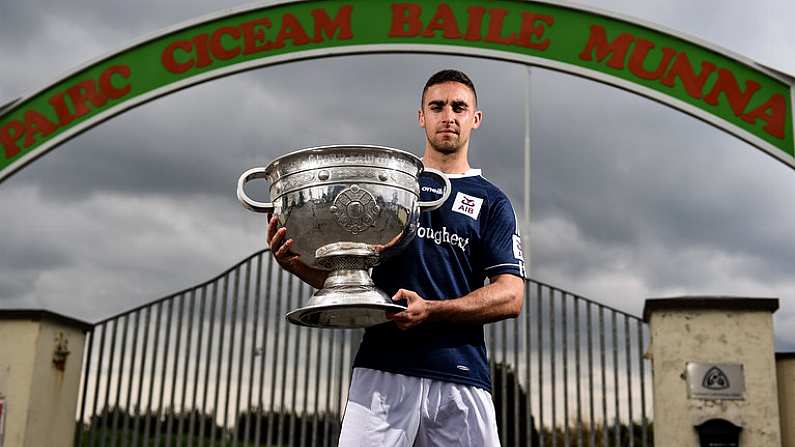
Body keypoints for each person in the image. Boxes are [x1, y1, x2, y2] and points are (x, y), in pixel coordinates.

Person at [267, 69, 526, 446]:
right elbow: (357, 284)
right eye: (437, 107)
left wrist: (433, 310)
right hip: (383, 372)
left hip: (461, 376)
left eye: (459, 107)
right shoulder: (386, 188)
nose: (448, 116)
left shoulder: (493, 202)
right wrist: (296, 264)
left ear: (476, 118)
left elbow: (511, 296)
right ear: (421, 116)